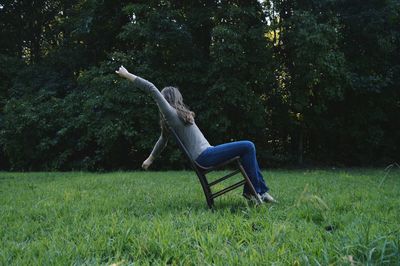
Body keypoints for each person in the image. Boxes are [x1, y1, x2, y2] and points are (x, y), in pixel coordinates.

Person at [115, 66, 276, 203]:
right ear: (174, 98)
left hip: (208, 152)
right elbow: (151, 88)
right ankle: (255, 192)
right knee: (248, 146)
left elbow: (162, 140)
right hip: (205, 156)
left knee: (248, 149)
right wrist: (127, 75)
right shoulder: (170, 113)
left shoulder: (177, 117)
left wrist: (150, 159)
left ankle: (258, 191)